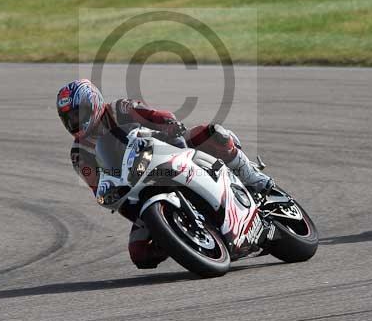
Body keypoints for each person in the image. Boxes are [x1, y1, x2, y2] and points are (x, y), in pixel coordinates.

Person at [56, 78, 272, 269]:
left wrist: (169, 124)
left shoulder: (120, 109)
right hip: (137, 189)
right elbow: (96, 184)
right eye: (69, 119)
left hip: (166, 152)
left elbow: (155, 116)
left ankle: (250, 175)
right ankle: (183, 240)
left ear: (92, 103)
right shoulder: (79, 153)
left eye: (78, 114)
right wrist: (107, 193)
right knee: (140, 255)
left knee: (212, 133)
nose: (74, 122)